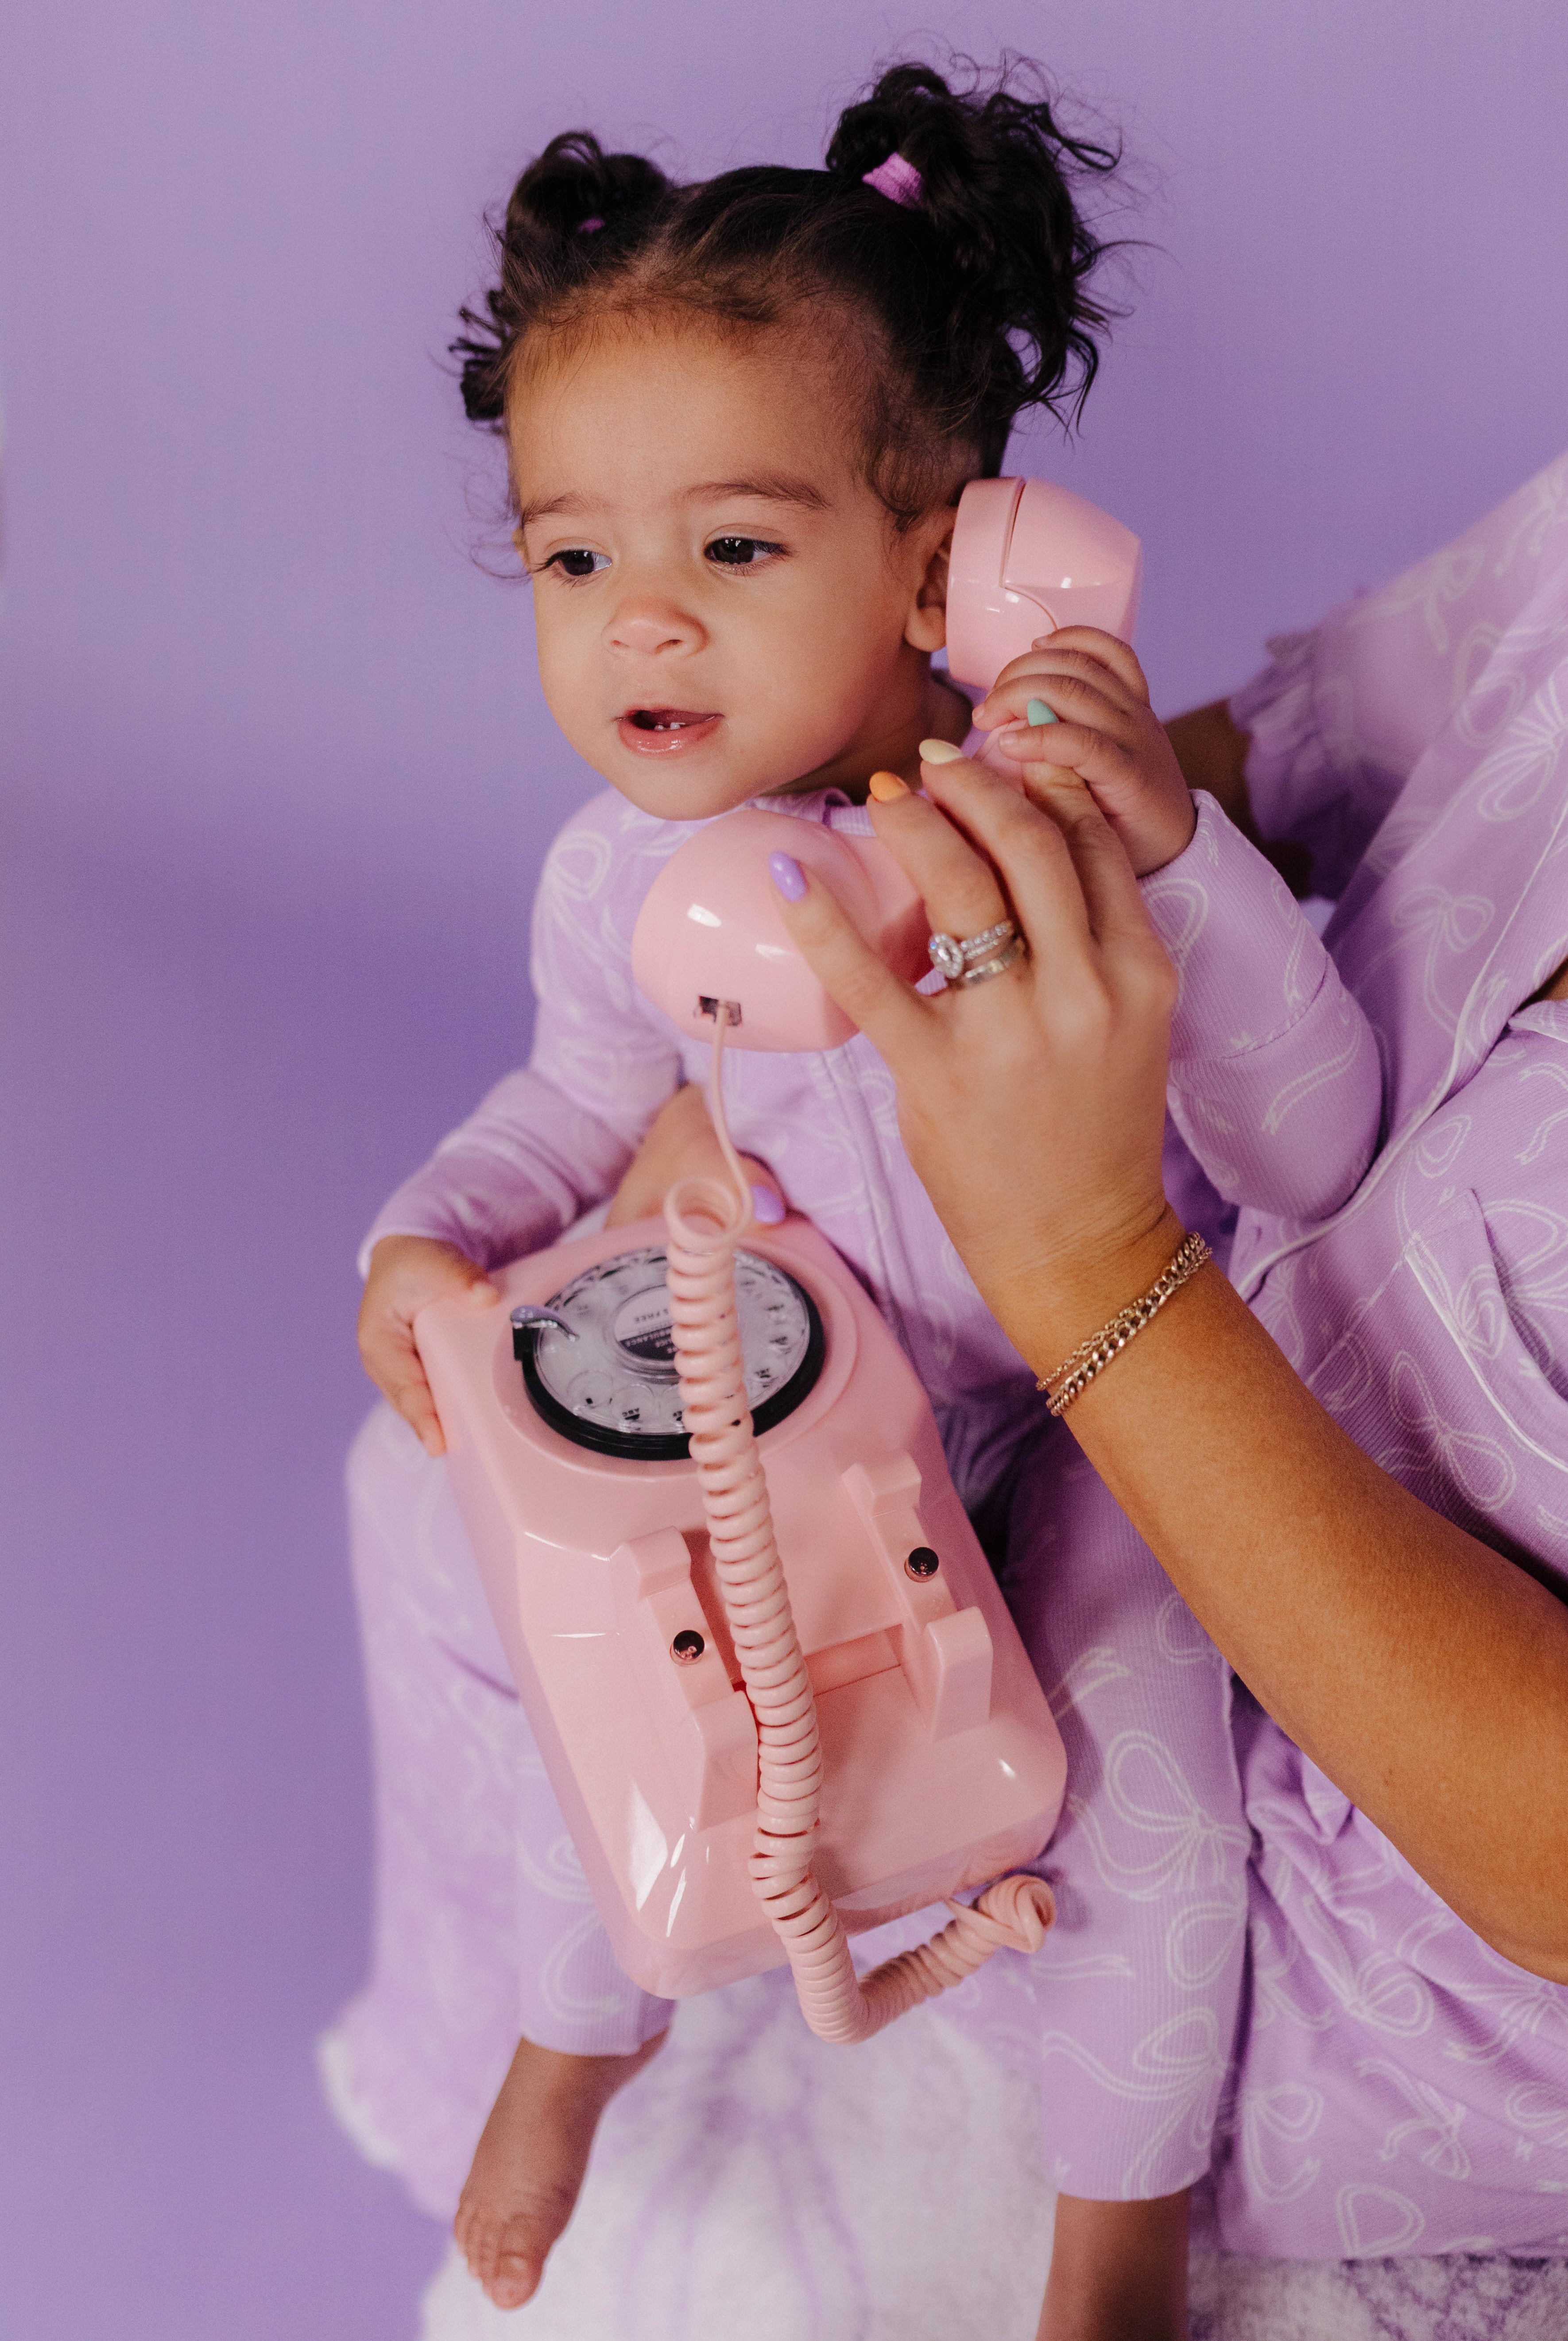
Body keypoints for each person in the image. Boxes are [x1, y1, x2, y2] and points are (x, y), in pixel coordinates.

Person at [332, 60, 1392, 2339]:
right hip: (809, 1396)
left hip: (1103, 1400)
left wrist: (1181, 859)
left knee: (1145, 1727)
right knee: (500, 1563)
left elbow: (1320, 1138)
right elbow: (564, 1099)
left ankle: (1111, 2231)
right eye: (573, 558)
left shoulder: (1059, 817)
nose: (642, 626)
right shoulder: (618, 871)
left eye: (731, 548)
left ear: (947, 562)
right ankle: (565, 2030)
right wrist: (425, 1240)